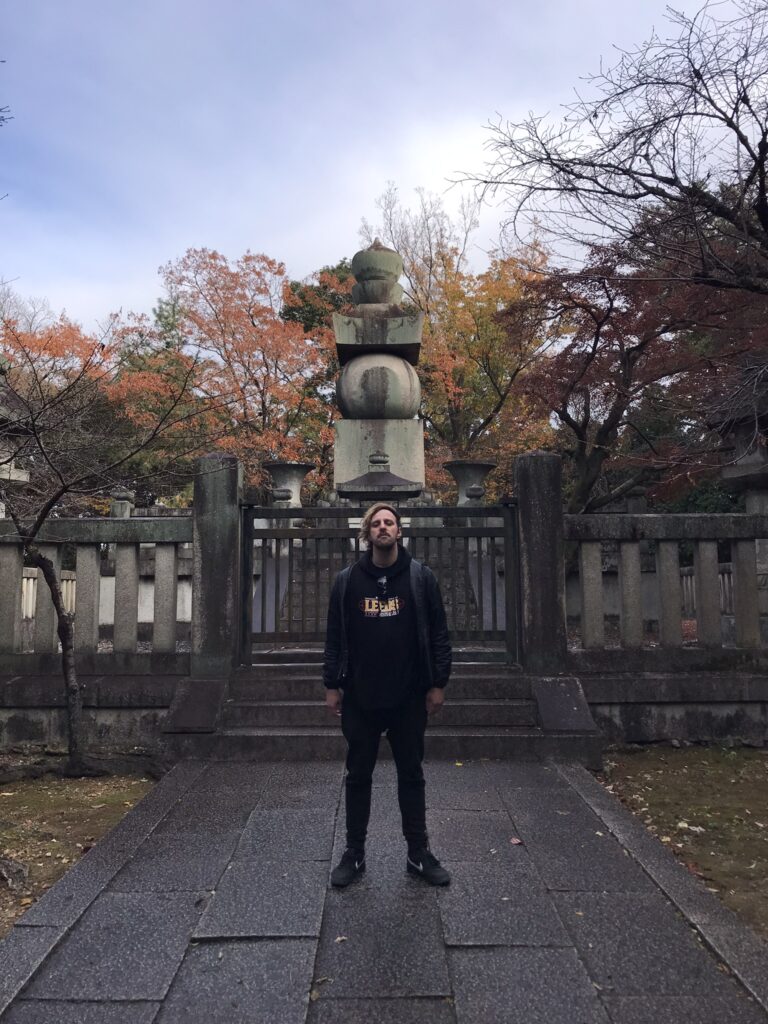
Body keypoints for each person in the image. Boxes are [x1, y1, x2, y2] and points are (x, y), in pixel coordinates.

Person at [323, 501, 452, 887]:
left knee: (411, 774)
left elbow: (439, 635)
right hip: (361, 697)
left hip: (409, 695)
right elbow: (333, 637)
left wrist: (438, 683)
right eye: (376, 523)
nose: (383, 528)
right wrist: (332, 684)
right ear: (367, 533)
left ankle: (418, 852)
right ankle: (354, 852)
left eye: (389, 522)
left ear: (399, 531)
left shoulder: (420, 578)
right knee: (358, 775)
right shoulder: (347, 581)